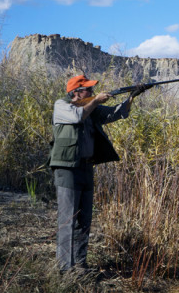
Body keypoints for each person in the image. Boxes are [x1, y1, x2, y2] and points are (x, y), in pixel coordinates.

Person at [49, 74, 142, 273]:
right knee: (67, 219)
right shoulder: (62, 105)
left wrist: (132, 97)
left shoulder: (91, 108)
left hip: (86, 167)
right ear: (75, 92)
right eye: (88, 90)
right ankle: (65, 268)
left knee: (84, 220)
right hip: (67, 168)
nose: (91, 92)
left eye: (92, 90)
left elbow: (115, 114)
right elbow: (77, 116)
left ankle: (80, 264)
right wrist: (95, 101)